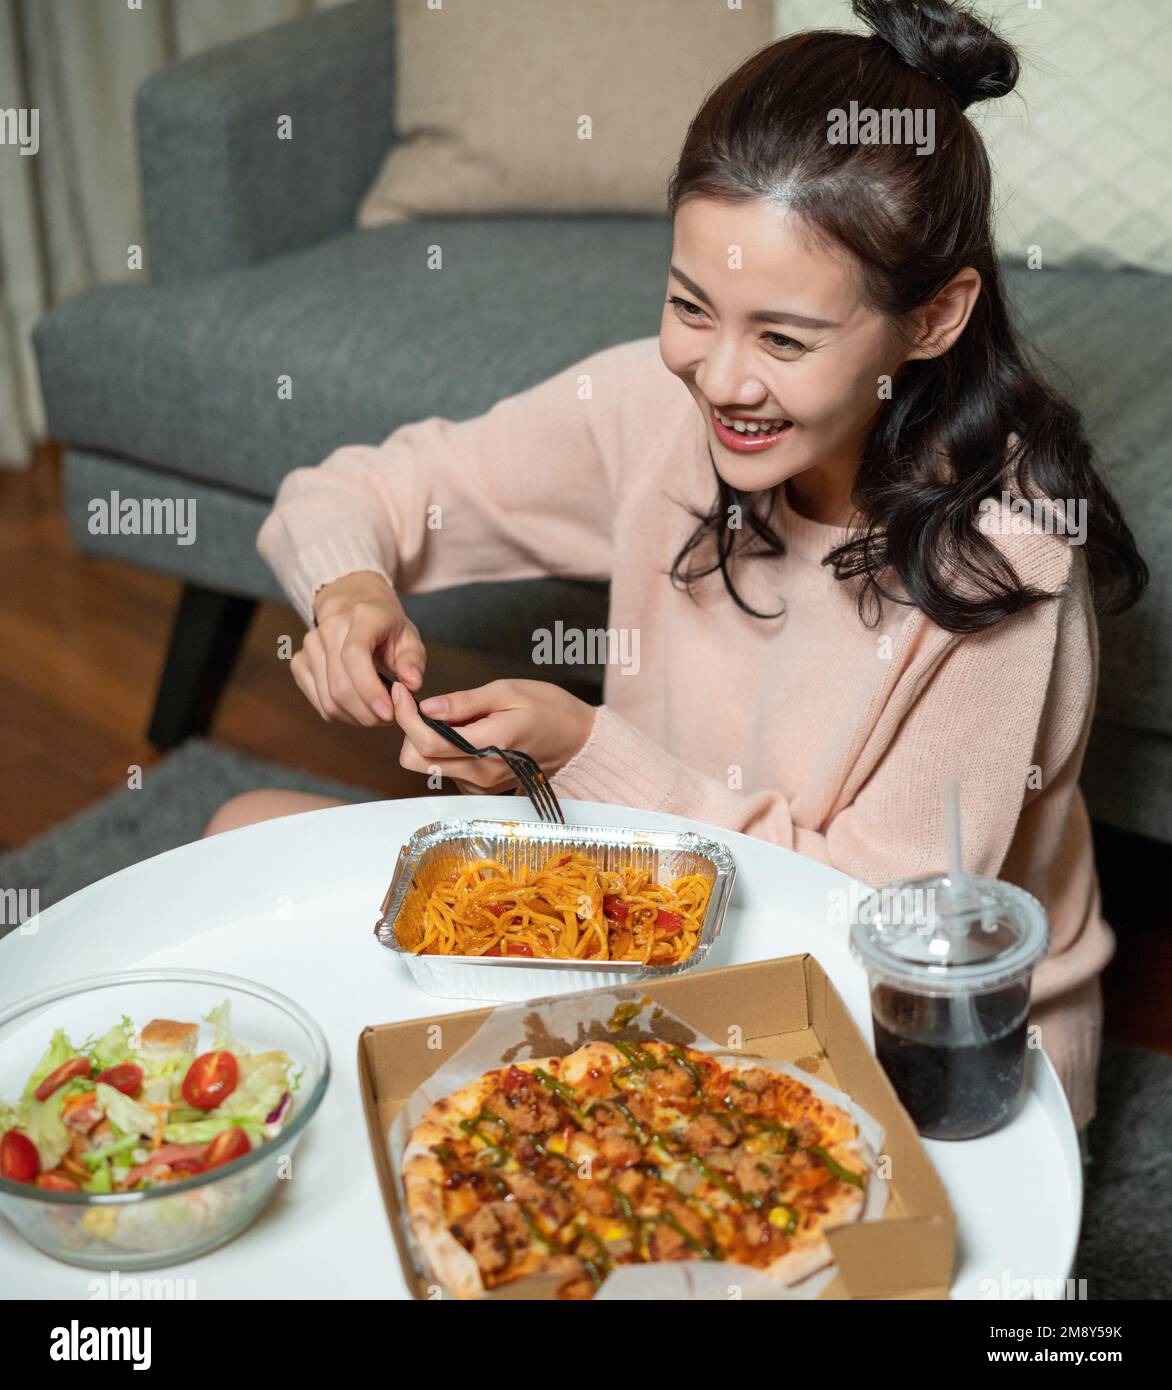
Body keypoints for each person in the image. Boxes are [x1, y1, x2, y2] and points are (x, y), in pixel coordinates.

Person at [205, 0, 1147, 1138]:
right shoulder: (659, 406)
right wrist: (349, 586)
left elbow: (868, 918)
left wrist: (585, 752)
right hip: (654, 918)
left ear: (933, 318)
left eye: (784, 339)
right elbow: (346, 493)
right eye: (688, 306)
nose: (720, 379)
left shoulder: (1002, 554)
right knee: (239, 837)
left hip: (903, 1033)